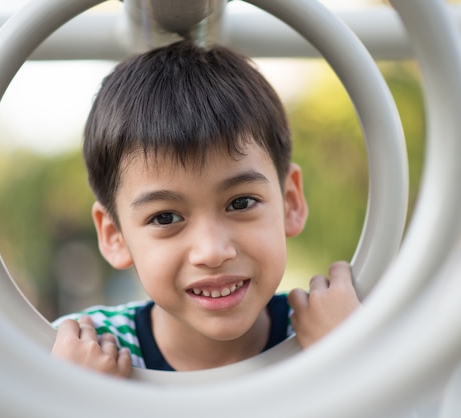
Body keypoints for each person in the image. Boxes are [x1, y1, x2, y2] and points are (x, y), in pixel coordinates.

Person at [51, 40, 360, 378]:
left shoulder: (335, 332)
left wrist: (353, 370)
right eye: (165, 217)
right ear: (115, 236)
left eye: (240, 203)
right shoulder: (85, 352)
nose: (212, 252)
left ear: (290, 202)